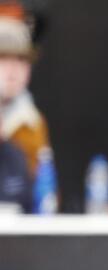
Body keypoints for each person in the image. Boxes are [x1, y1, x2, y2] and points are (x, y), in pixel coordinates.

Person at [0, 14, 48, 177]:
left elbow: (44, 193)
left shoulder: (34, 123)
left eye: (21, 59)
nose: (13, 70)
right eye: (3, 58)